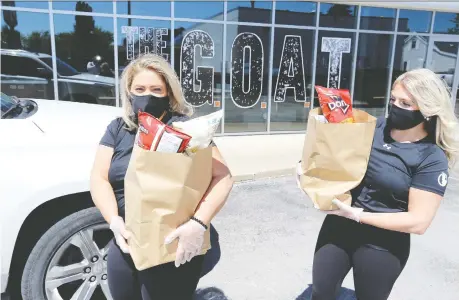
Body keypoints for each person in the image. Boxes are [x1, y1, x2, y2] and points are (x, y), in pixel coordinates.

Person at [90, 53, 233, 300]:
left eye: (156, 89)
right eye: (140, 88)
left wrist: (197, 224)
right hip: (126, 239)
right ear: (129, 92)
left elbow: (223, 177)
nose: (148, 95)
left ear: (169, 92)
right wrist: (113, 220)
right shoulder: (118, 128)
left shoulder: (186, 130)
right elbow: (99, 178)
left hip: (173, 242)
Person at [311, 68, 459, 300]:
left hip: (383, 243)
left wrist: (358, 215)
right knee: (321, 292)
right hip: (339, 226)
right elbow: (335, 157)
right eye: (393, 99)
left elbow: (418, 221)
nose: (395, 106)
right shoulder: (371, 127)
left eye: (405, 103)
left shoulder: (431, 157)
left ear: (427, 110)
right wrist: (311, 170)